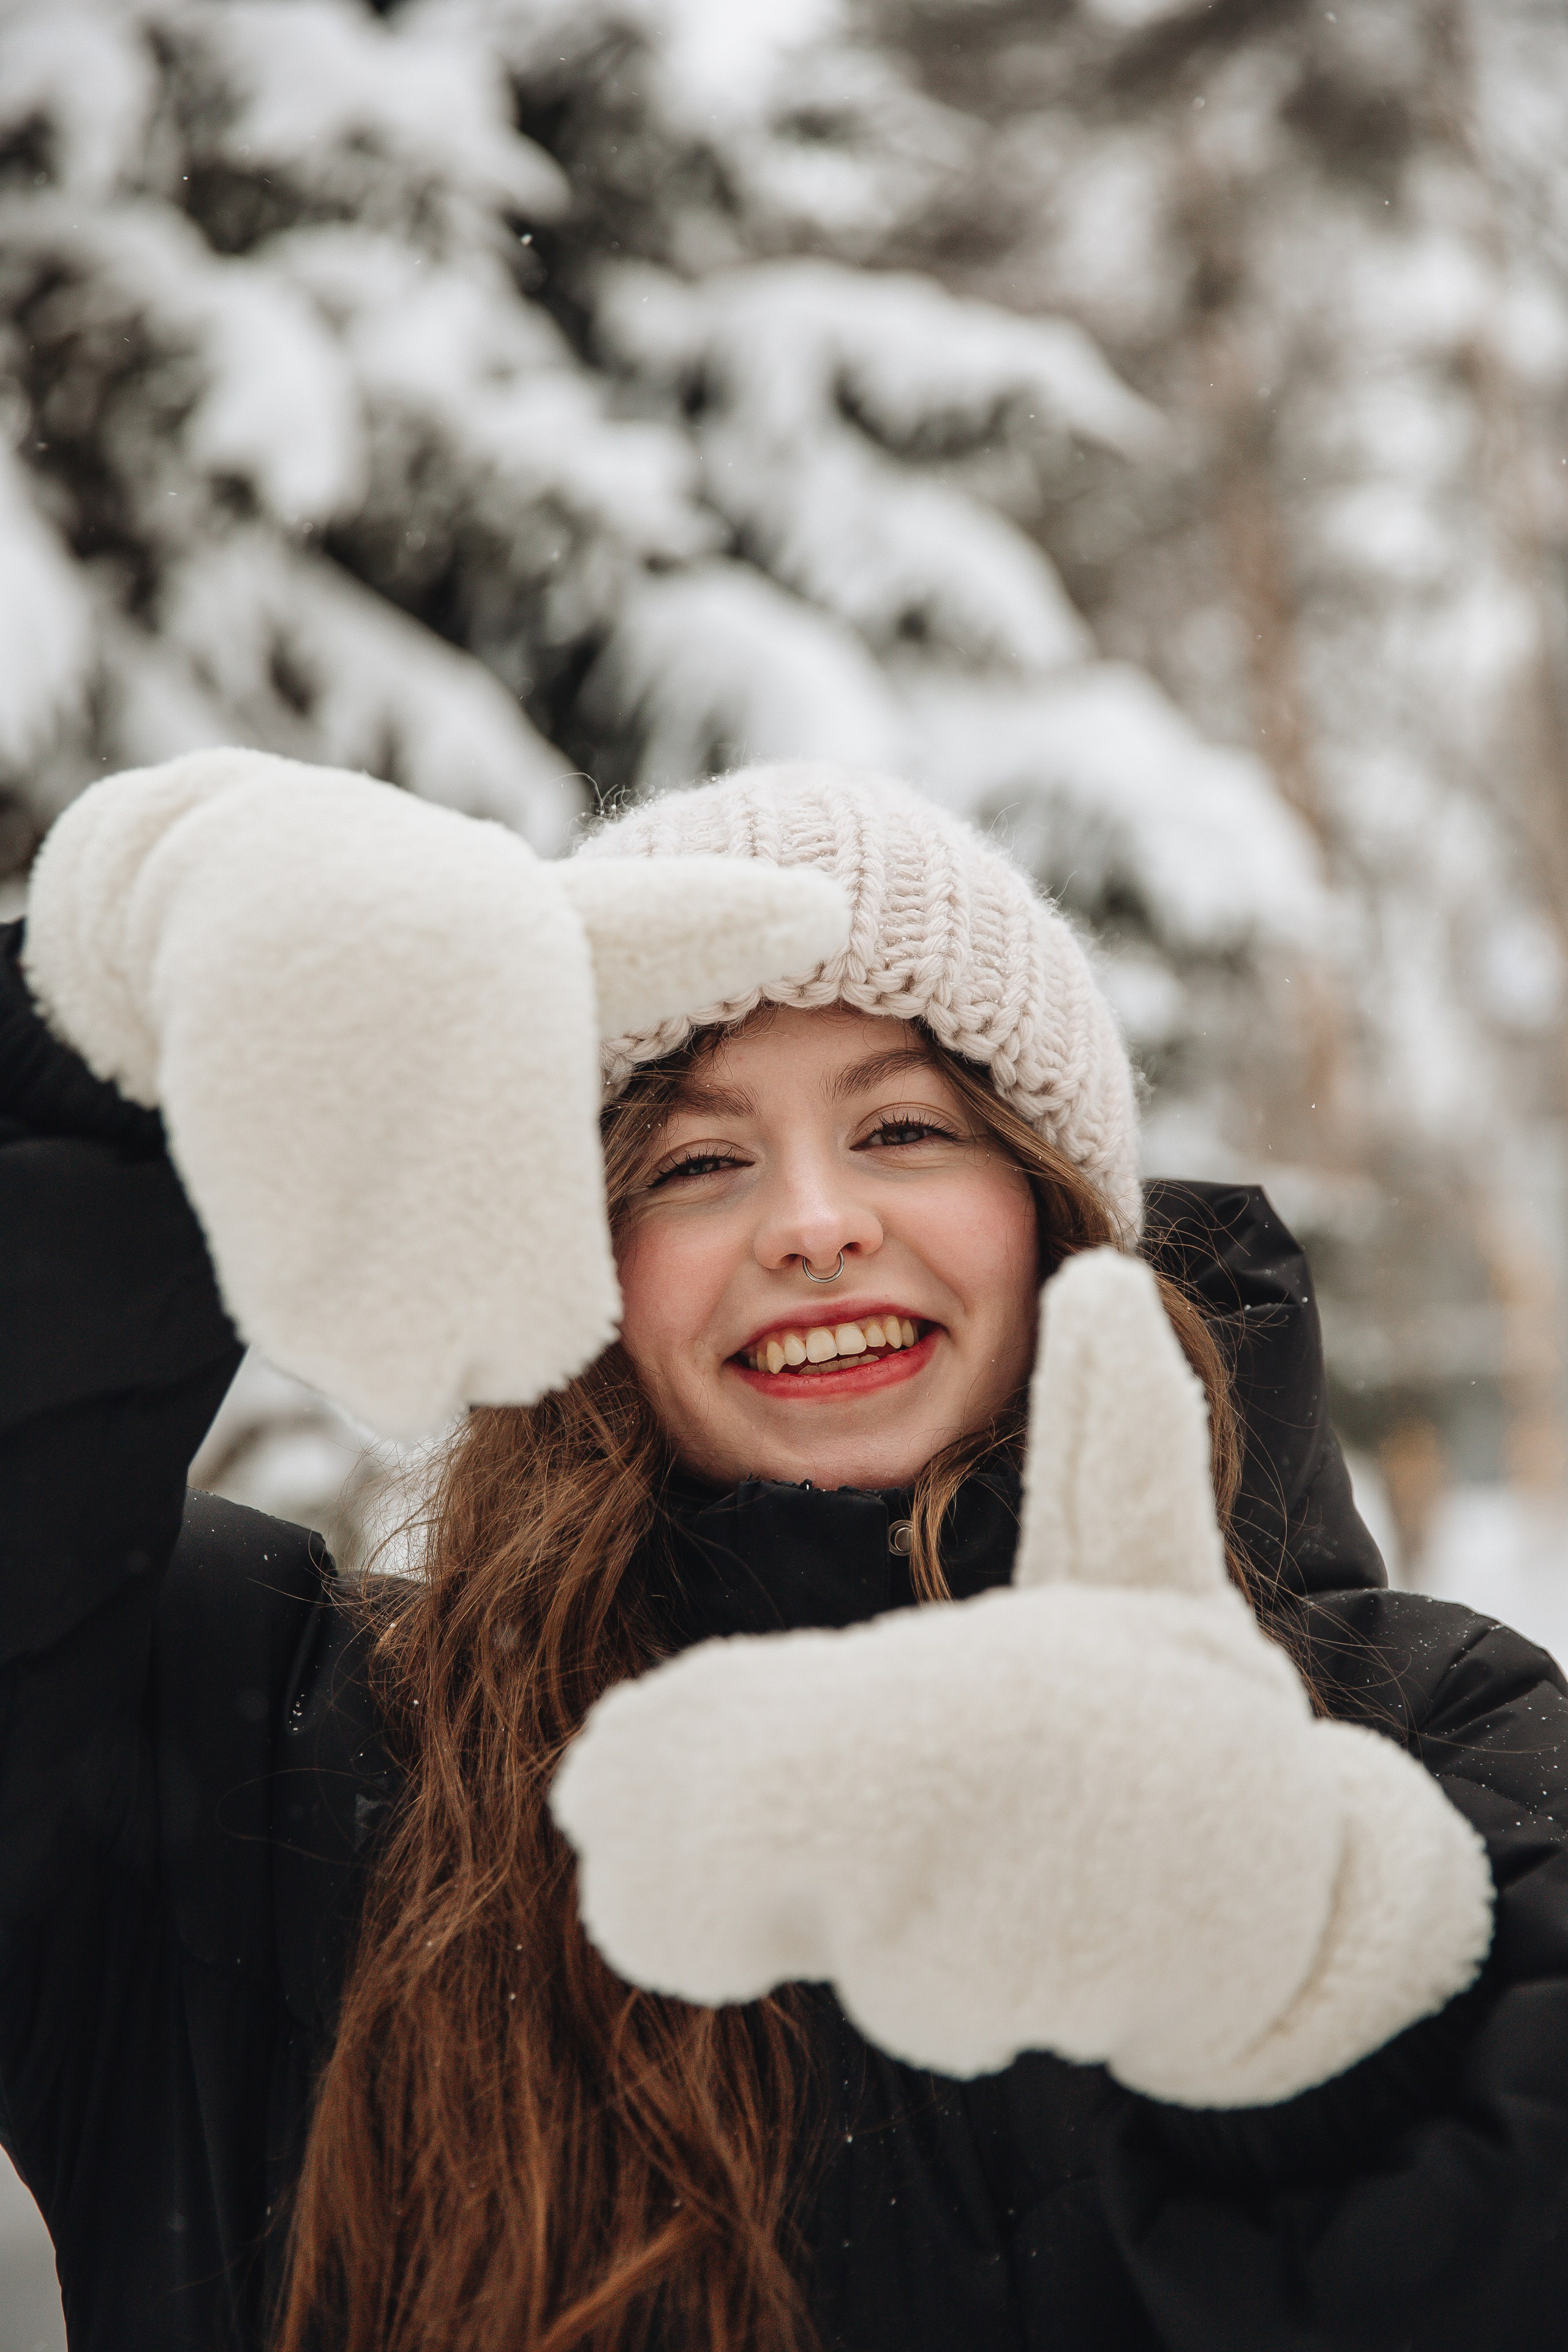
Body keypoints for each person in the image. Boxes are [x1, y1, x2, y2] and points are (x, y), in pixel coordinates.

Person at [1, 751, 1566, 2352]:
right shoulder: (252, 1760)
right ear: (587, 1243)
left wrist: (1309, 2002)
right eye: (696, 1160)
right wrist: (99, 1045)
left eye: (901, 1128)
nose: (813, 1222)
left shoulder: (1430, 1740)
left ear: (1049, 1209)